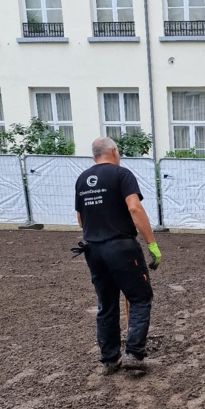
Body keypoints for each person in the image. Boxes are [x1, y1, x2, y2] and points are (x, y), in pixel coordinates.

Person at [74, 137, 162, 375]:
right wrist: (152, 244)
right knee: (141, 298)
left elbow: (80, 218)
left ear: (94, 155)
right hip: (121, 248)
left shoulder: (82, 180)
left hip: (93, 249)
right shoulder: (122, 175)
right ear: (113, 151)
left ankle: (109, 359)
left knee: (107, 304)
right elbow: (134, 208)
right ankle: (133, 353)